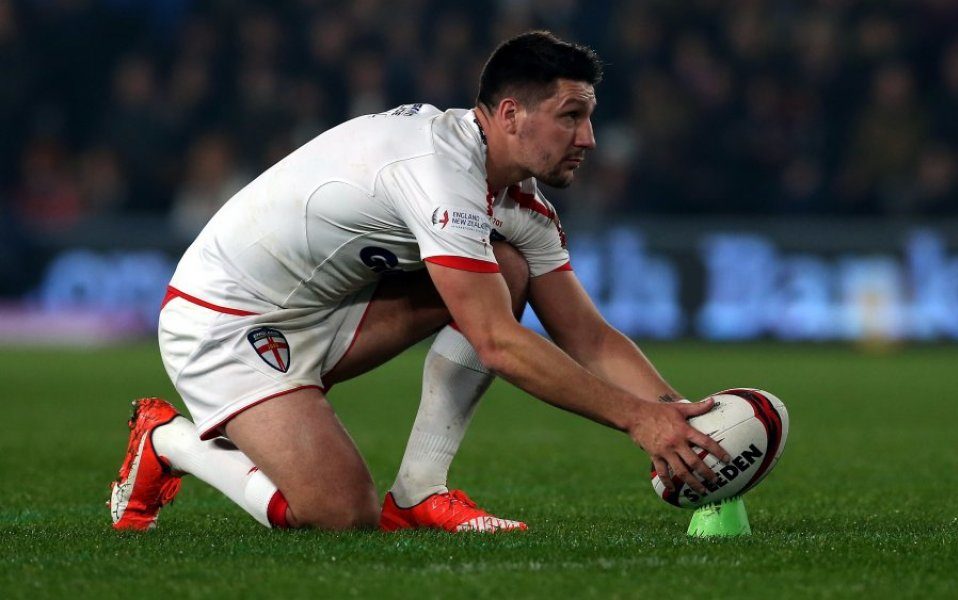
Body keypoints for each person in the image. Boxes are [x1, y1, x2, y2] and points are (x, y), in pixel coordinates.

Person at [109, 31, 730, 533]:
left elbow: (588, 336)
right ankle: (168, 440)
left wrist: (680, 419)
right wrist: (636, 420)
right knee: (338, 514)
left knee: (507, 268)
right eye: (571, 116)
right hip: (224, 320)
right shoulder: (438, 173)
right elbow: (496, 342)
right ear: (510, 114)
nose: (589, 139)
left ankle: (418, 492)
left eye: (590, 117)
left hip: (326, 309)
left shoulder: (519, 203)